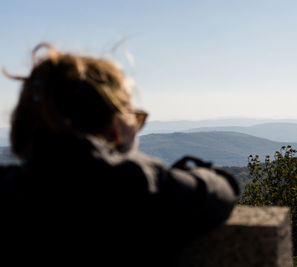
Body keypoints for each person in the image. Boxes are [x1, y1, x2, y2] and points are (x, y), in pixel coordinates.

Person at [0, 43, 239, 265]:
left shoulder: (9, 188)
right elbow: (223, 190)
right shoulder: (137, 185)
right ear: (116, 128)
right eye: (134, 119)